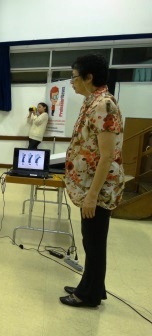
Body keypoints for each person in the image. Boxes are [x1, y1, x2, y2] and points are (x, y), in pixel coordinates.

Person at [61, 53, 125, 308]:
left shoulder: (103, 104)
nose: (72, 82)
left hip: (98, 190)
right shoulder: (92, 101)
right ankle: (91, 286)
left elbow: (107, 155)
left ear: (89, 77)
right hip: (89, 187)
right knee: (91, 240)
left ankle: (89, 295)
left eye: (75, 77)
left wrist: (92, 196)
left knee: (95, 242)